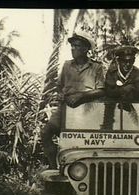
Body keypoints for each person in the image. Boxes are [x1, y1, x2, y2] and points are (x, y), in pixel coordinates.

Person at [41, 32, 105, 169]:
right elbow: (59, 86)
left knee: (84, 142)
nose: (73, 49)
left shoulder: (96, 67)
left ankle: (83, 170)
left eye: (77, 46)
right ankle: (53, 167)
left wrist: (82, 96)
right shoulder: (67, 65)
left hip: (87, 110)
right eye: (72, 46)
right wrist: (60, 95)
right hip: (66, 108)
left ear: (86, 49)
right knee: (46, 132)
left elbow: (101, 90)